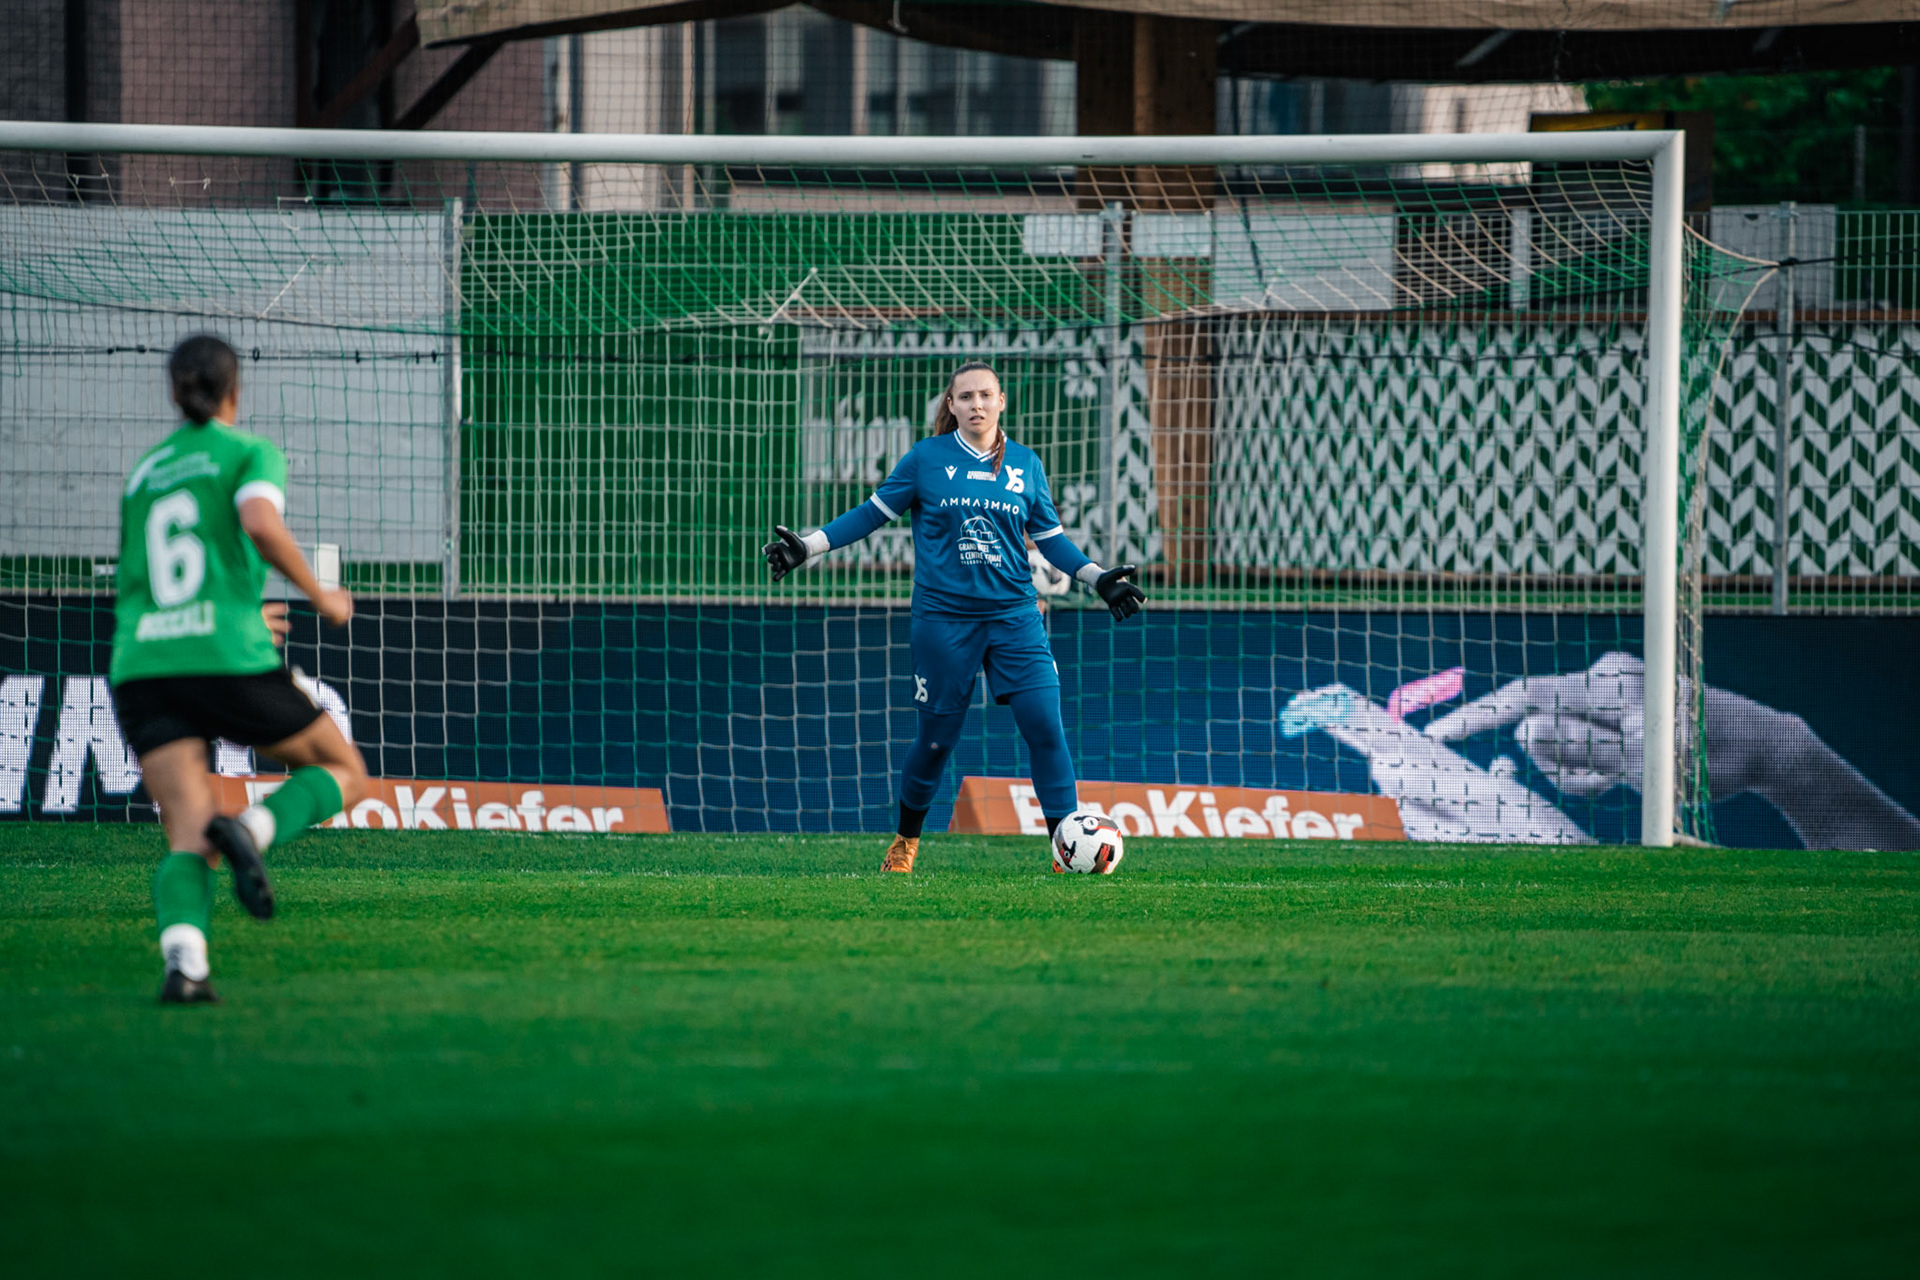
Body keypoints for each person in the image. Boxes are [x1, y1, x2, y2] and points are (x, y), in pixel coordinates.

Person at [763, 360, 1145, 871]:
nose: (976, 405)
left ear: (1002, 401)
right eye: (965, 397)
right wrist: (808, 546)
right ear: (951, 405)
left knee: (1046, 727)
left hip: (1015, 617)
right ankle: (905, 843)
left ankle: (1065, 850)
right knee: (937, 740)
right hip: (943, 622)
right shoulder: (926, 458)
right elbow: (871, 515)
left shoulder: (1026, 465)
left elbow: (1053, 542)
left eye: (986, 395)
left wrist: (1098, 577)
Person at [111, 334, 369, 1004]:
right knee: (344, 771)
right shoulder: (249, 452)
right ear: (235, 390)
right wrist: (319, 595)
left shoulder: (143, 473)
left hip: (142, 664)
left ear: (174, 392)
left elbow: (144, 583)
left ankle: (186, 966)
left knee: (186, 830)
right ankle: (252, 829)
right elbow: (257, 522)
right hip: (222, 657)